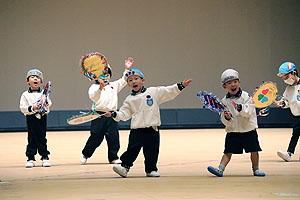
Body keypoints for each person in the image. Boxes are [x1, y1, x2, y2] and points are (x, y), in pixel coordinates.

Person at [105, 68, 192, 178]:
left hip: (152, 129)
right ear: (128, 84)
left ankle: (151, 170)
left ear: (143, 80)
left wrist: (181, 86)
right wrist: (114, 114)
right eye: (130, 80)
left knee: (152, 150)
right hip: (137, 130)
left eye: (136, 79)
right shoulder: (129, 100)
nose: (134, 82)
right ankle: (124, 167)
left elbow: (168, 91)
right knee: (132, 149)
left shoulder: (153, 92)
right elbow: (124, 113)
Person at [207, 69, 265, 177]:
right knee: (227, 152)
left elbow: (249, 111)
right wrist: (227, 118)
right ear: (224, 86)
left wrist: (240, 108)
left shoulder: (246, 97)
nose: (232, 84)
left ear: (239, 82)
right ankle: (220, 169)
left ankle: (256, 169)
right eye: (229, 83)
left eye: (235, 81)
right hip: (233, 131)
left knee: (254, 150)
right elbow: (224, 120)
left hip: (248, 130)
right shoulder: (224, 101)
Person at [80, 58, 133, 165]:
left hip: (112, 115)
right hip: (98, 116)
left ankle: (113, 157)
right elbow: (94, 97)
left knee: (113, 137)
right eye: (102, 75)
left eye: (107, 75)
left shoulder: (114, 85)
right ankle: (86, 154)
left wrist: (127, 69)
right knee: (95, 137)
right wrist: (100, 88)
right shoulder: (93, 87)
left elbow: (123, 80)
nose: (105, 77)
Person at [20, 69, 52, 168]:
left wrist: (45, 105)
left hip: (42, 117)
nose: (35, 79)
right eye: (32, 77)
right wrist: (32, 108)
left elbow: (49, 104)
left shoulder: (44, 93)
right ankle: (30, 157)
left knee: (42, 137)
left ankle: (44, 156)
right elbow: (22, 107)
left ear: (41, 82)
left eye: (38, 77)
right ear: (27, 81)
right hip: (31, 117)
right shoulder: (25, 94)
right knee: (32, 137)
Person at [275, 61, 300, 162]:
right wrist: (281, 103)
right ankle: (289, 153)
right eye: (283, 78)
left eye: (286, 77)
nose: (285, 80)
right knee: (295, 135)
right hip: (296, 115)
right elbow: (286, 101)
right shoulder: (288, 89)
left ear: (294, 73)